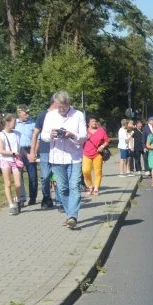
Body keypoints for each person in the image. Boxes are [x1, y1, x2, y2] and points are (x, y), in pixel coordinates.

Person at [40, 90, 87, 229]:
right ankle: (69, 214)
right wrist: (52, 135)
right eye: (58, 106)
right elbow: (43, 136)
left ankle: (73, 216)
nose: (61, 109)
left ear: (68, 103)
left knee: (75, 186)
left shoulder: (78, 115)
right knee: (62, 189)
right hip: (56, 157)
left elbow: (84, 136)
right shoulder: (50, 115)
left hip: (74, 157)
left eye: (63, 106)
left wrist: (72, 135)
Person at [30, 100, 57, 208]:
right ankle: (46, 197)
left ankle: (60, 199)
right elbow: (35, 133)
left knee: (57, 176)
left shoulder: (61, 115)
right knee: (45, 176)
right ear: (54, 103)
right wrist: (32, 151)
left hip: (58, 150)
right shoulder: (43, 115)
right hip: (45, 150)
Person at [0, 113, 23, 216]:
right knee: (7, 183)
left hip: (15, 161)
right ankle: (11, 205)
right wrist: (13, 153)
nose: (15, 124)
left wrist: (27, 154)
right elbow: (1, 150)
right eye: (14, 122)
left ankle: (18, 199)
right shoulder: (1, 135)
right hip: (5, 160)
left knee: (18, 184)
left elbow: (20, 148)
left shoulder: (17, 134)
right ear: (7, 122)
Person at [13, 105, 38, 206]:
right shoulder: (14, 124)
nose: (28, 115)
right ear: (19, 113)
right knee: (18, 175)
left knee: (32, 175)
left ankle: (33, 197)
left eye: (28, 113)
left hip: (29, 150)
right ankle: (21, 198)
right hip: (17, 151)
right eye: (25, 113)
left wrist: (34, 152)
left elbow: (37, 139)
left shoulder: (33, 124)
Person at [82, 115, 109, 196]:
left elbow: (107, 140)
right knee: (85, 171)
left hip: (97, 154)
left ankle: (96, 188)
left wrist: (103, 146)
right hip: (86, 154)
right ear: (88, 123)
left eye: (95, 121)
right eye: (92, 121)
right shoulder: (84, 131)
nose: (94, 123)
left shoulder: (101, 131)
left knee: (98, 172)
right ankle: (90, 186)